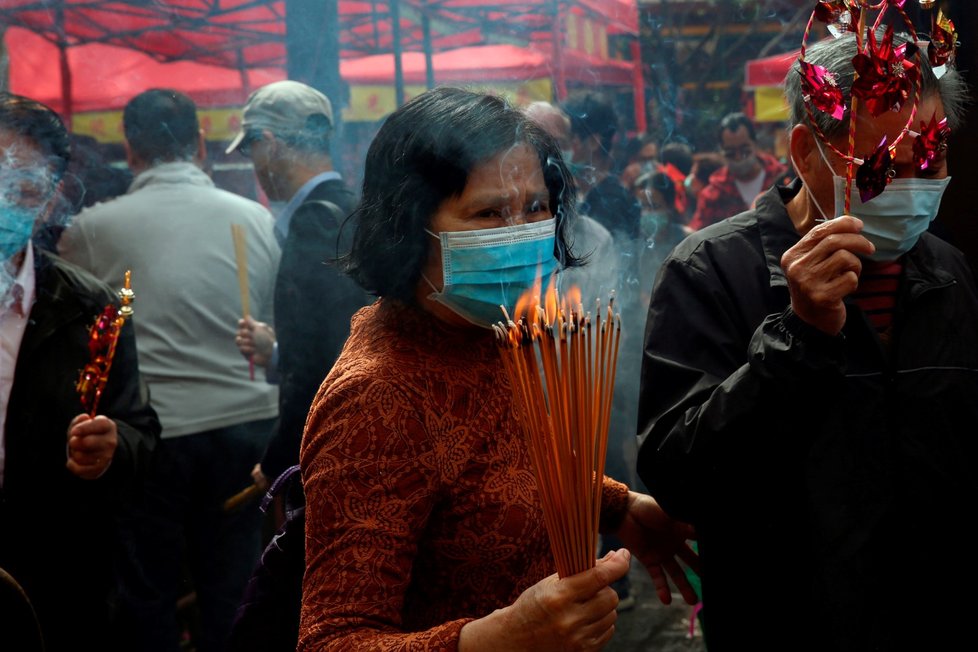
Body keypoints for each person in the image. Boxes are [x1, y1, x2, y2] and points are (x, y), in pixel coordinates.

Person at [298, 87, 698, 651]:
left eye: (535, 206)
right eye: (489, 212)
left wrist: (619, 506)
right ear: (409, 226)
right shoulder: (378, 397)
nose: (522, 231)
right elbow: (330, 641)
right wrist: (499, 637)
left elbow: (490, 475)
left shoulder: (493, 332)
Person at [637, 33, 975, 651]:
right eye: (882, 168)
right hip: (788, 626)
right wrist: (798, 336)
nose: (912, 187)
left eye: (930, 163)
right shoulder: (708, 273)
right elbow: (677, 475)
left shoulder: (949, 272)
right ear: (805, 150)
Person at [58, 88, 280, 651]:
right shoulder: (254, 218)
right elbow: (275, 329)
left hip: (151, 439)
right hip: (245, 430)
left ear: (129, 150)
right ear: (202, 144)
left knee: (146, 590)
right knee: (235, 587)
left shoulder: (89, 230)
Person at [0, 92, 160, 651]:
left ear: (47, 202)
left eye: (21, 189)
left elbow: (140, 430)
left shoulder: (91, 308)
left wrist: (111, 449)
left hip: (49, 568)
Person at [227, 80, 369, 491]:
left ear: (269, 144)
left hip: (333, 456)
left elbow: (316, 368)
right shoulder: (352, 208)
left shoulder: (313, 223)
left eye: (250, 148)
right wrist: (276, 353)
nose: (252, 163)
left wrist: (278, 459)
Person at [688, 111, 788, 231]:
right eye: (730, 153)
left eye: (745, 150)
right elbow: (698, 234)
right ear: (722, 151)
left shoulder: (783, 179)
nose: (738, 158)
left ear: (755, 144)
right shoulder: (713, 195)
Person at [562, 93, 642, 241]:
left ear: (593, 142)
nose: (562, 149)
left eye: (567, 139)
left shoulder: (613, 203)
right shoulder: (581, 194)